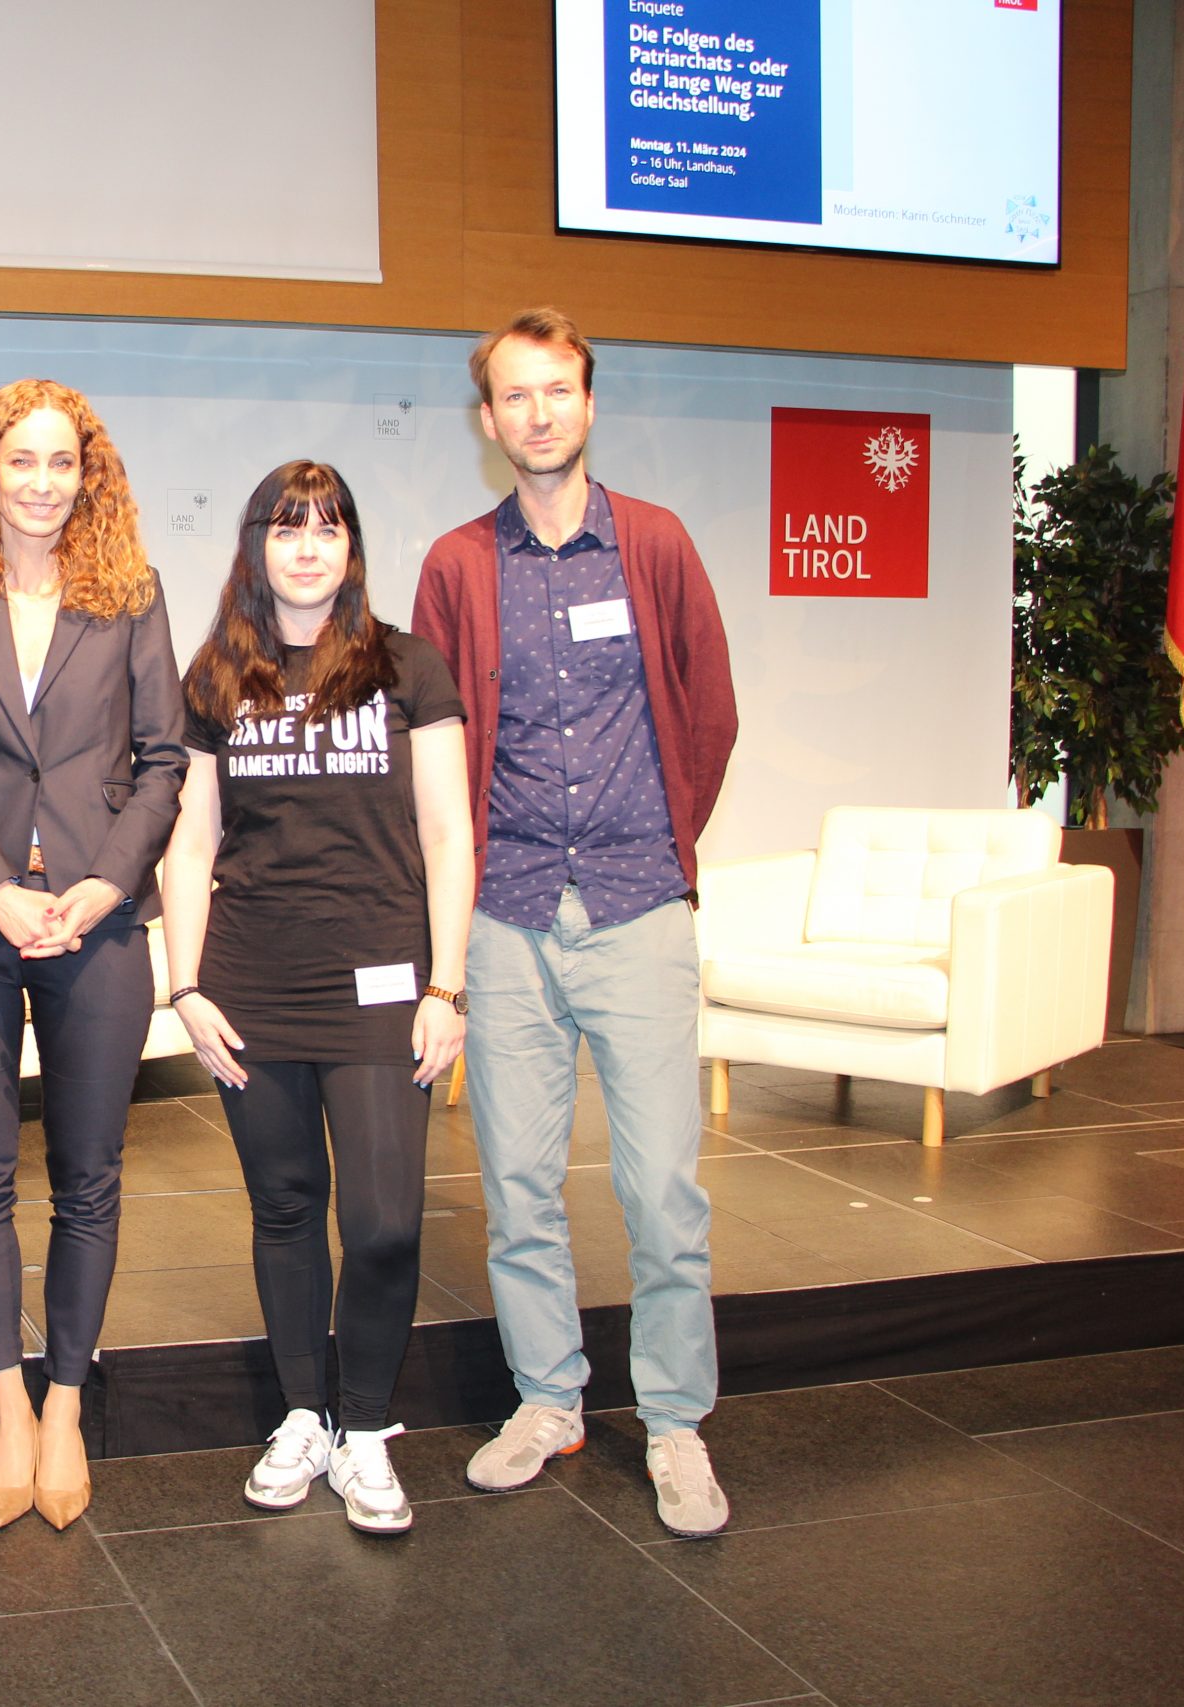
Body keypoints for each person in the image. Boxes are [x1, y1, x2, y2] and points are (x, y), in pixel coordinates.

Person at [411, 306, 740, 1538]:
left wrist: (662, 844)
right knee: (516, 1188)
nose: (537, 413)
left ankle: (675, 1422)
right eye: (515, 394)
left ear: (587, 404)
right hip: (503, 918)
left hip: (637, 905)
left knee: (662, 1193)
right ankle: (547, 1401)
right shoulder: (456, 566)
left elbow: (709, 712)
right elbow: (430, 749)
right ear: (486, 418)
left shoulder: (653, 543)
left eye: (556, 390)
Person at [0, 379, 186, 1531]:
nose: (41, 482)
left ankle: (65, 1403)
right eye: (20, 459)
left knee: (87, 1176)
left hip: (96, 920)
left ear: (87, 476)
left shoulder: (131, 595)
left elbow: (162, 759)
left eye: (62, 461)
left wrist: (105, 884)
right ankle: (6, 1407)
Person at [160, 460, 471, 1535]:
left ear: (351, 547)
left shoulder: (407, 666)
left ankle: (367, 1428)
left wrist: (447, 984)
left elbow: (448, 834)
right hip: (253, 981)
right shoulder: (215, 676)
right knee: (285, 1207)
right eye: (287, 529)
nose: (307, 548)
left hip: (382, 983)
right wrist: (185, 984)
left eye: (327, 528)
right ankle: (305, 1415)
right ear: (257, 546)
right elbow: (190, 842)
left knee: (383, 1222)